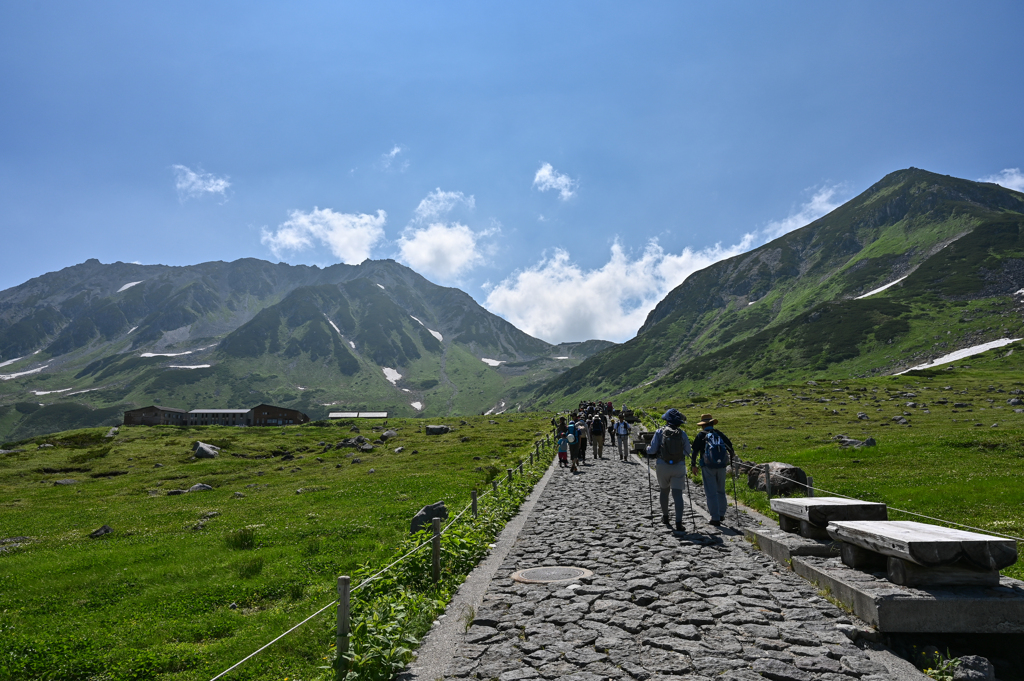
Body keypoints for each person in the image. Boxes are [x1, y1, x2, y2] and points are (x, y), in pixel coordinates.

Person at [646, 409, 692, 531]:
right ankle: (678, 522)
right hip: (678, 466)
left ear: (666, 419)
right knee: (677, 495)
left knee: (664, 491)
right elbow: (688, 451)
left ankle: (665, 517)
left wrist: (647, 448)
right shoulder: (682, 434)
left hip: (662, 465)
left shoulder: (660, 432)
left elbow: (652, 450)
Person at [691, 413, 735, 526]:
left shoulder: (701, 435)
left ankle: (715, 518)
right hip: (721, 467)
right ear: (711, 423)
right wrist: (730, 463)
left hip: (707, 466)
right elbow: (730, 448)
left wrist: (693, 465)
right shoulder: (719, 434)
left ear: (703, 425)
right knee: (721, 490)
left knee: (711, 492)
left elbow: (695, 451)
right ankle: (721, 514)